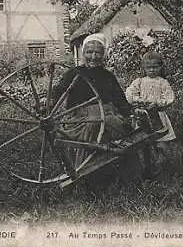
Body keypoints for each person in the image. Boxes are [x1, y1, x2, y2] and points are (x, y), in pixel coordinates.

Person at [52, 33, 133, 166]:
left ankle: (115, 166)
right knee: (93, 124)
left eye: (98, 53)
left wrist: (129, 113)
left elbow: (120, 100)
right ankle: (84, 166)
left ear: (103, 55)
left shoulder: (108, 76)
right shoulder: (73, 73)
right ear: (83, 53)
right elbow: (57, 92)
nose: (93, 57)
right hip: (79, 117)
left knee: (117, 124)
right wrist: (48, 103)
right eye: (89, 52)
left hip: (107, 114)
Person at [125, 51, 176, 178]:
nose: (152, 70)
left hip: (158, 116)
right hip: (143, 116)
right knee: (143, 142)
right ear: (144, 68)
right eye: (148, 67)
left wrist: (158, 103)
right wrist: (137, 100)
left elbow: (170, 97)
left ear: (160, 67)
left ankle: (162, 165)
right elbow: (130, 93)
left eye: (155, 67)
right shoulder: (140, 81)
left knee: (161, 142)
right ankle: (146, 167)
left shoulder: (163, 82)